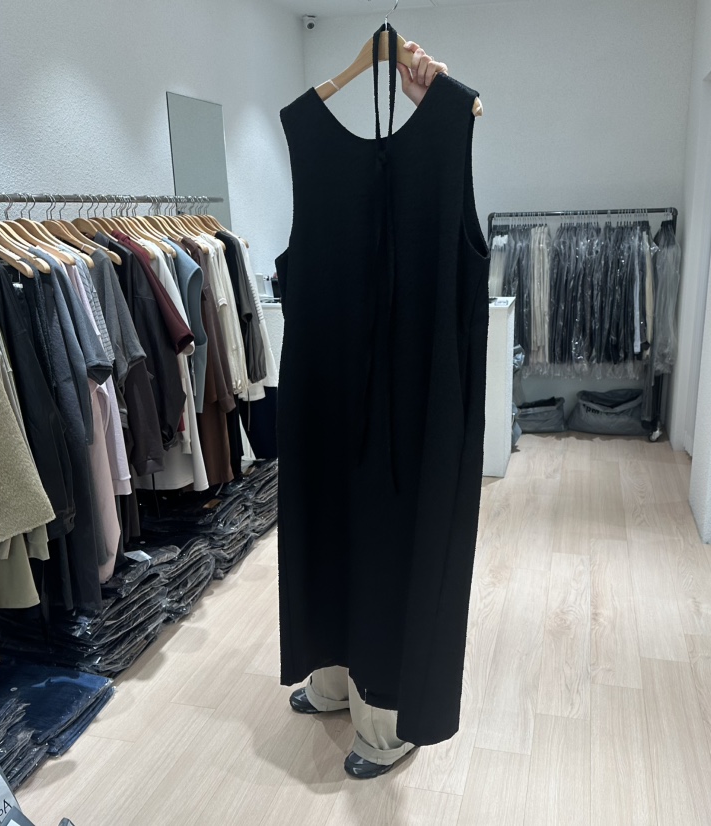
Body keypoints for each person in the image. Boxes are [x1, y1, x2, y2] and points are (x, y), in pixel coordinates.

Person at [287, 40, 456, 781]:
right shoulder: (303, 131)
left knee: (392, 547)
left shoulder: (452, 126)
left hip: (413, 396)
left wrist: (436, 106)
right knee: (326, 532)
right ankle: (333, 681)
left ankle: (385, 717)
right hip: (328, 385)